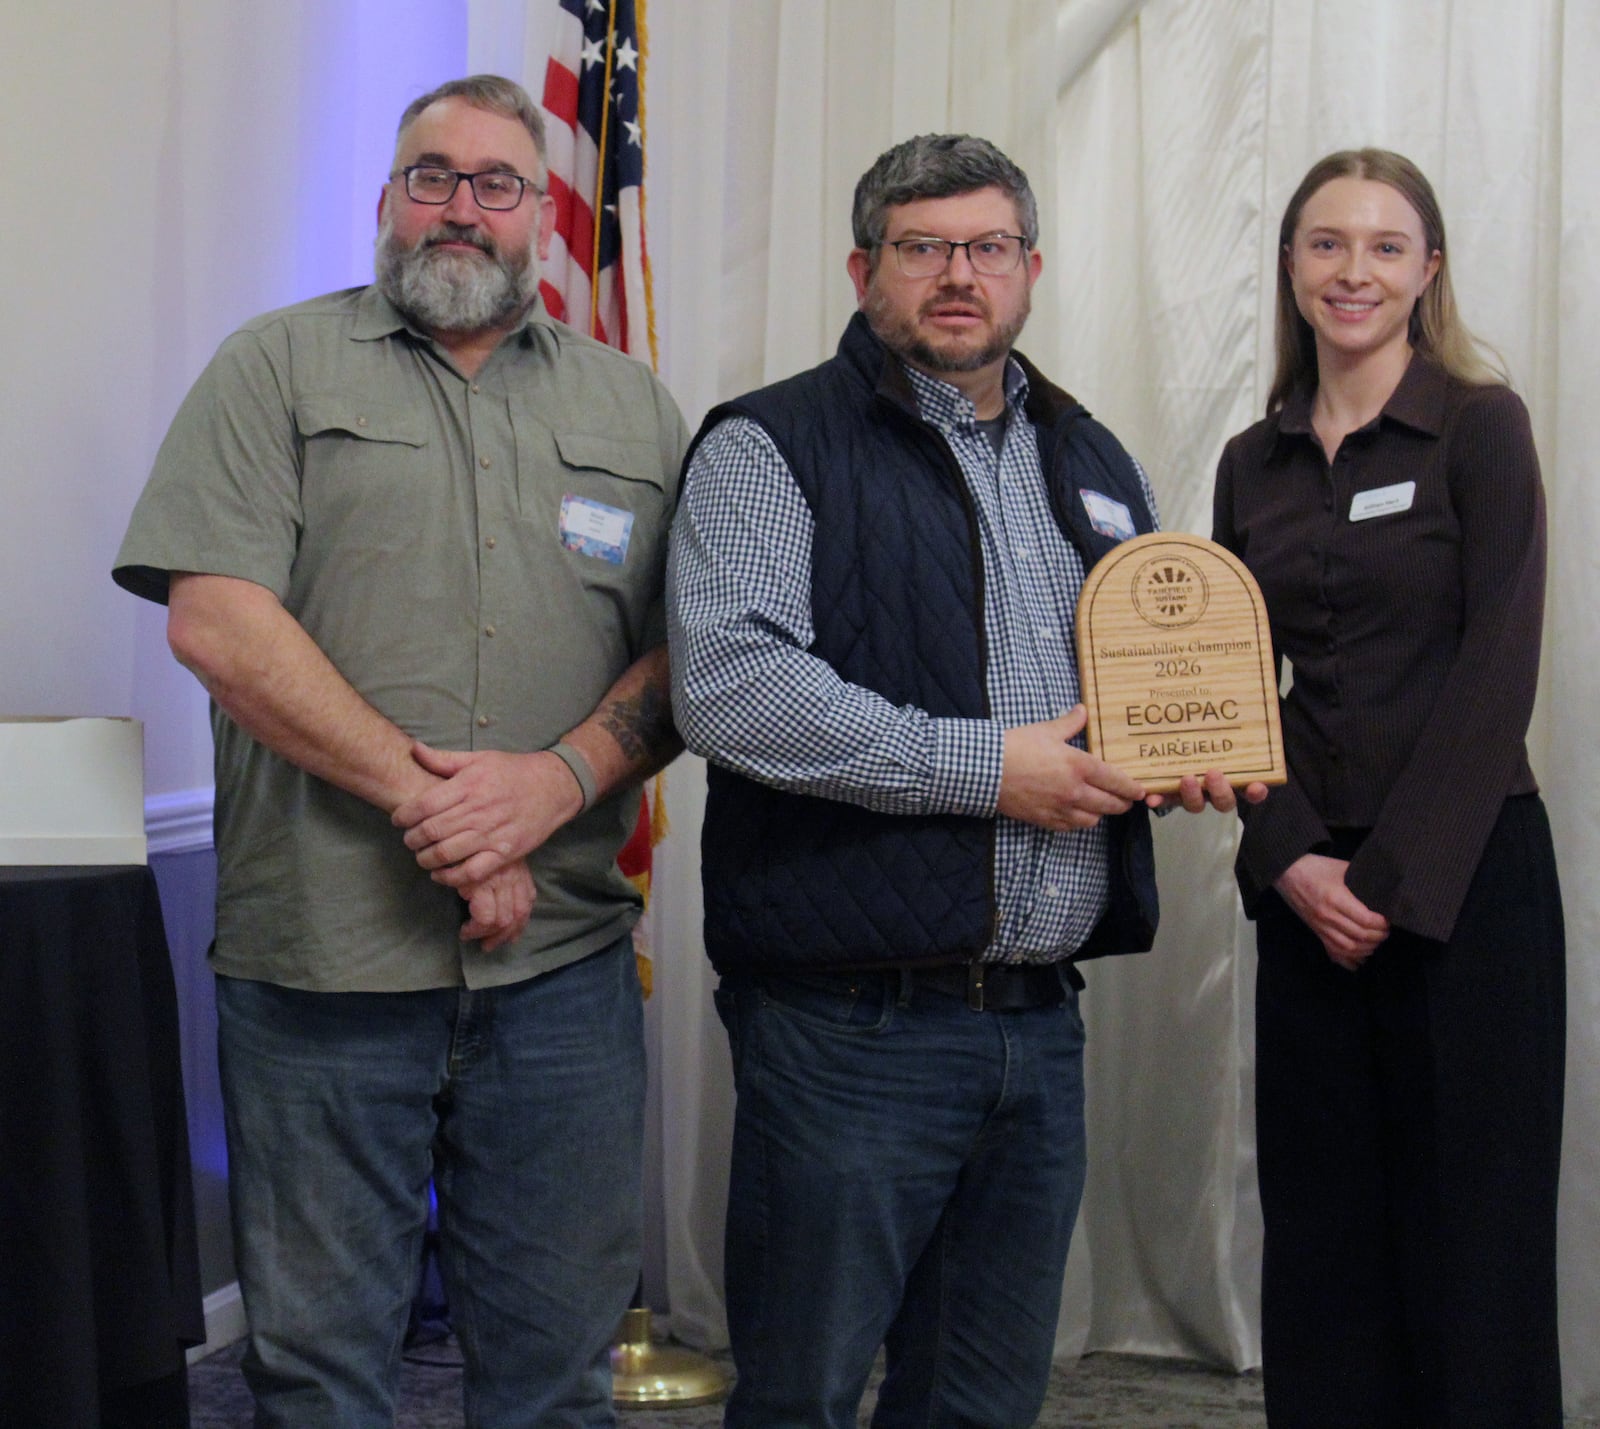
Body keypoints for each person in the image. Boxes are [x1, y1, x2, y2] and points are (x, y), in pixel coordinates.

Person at [113, 75, 687, 1427]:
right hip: (322, 967)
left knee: (554, 1377)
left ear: (541, 215)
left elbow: (689, 659)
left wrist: (546, 790)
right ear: (385, 202)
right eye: (432, 176)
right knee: (319, 1378)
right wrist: (447, 815)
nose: (460, 207)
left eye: (496, 183)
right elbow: (219, 621)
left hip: (561, 971)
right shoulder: (273, 367)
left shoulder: (637, 409)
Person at [667, 133, 1254, 1428]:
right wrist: (995, 769)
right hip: (846, 1029)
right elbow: (734, 690)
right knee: (805, 1396)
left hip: (1039, 1027)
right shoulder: (771, 445)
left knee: (982, 1402)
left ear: (1031, 270)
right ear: (863, 267)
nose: (956, 275)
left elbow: (1114, 704)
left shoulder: (1096, 463)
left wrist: (1170, 758)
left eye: (986, 247)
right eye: (922, 247)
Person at [1212, 149, 1565, 1427]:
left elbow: (1496, 668)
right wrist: (1294, 859)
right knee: (1320, 1238)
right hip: (1307, 891)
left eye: (1381, 245)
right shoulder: (1251, 462)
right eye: (1324, 243)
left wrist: (1385, 882)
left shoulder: (1479, 425)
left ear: (1428, 271)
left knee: (1472, 1246)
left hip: (1466, 888)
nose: (1351, 270)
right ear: (1293, 267)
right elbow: (1233, 689)